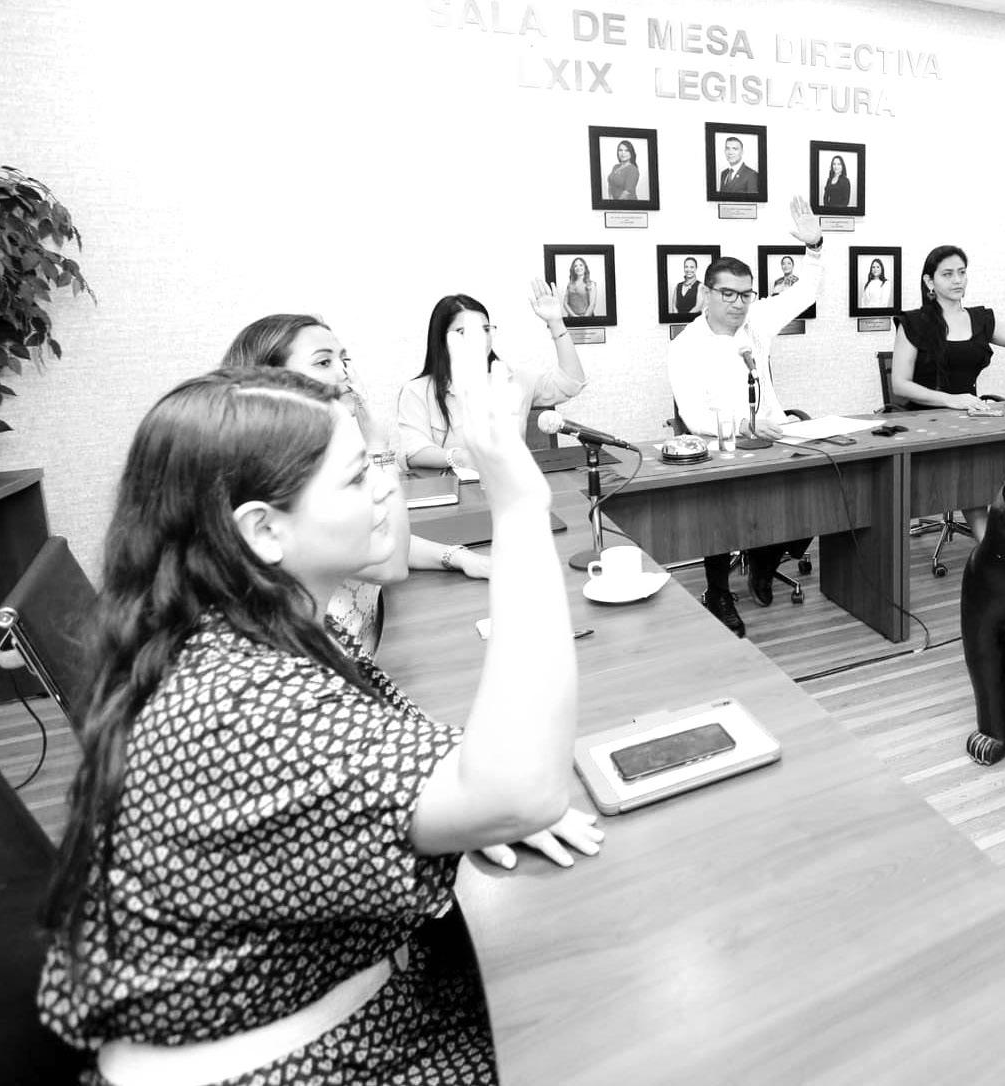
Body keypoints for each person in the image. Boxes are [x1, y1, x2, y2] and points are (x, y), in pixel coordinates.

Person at [37, 359, 602, 1081]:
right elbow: (519, 791)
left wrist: (480, 791)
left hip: (354, 1009)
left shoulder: (255, 629)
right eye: (359, 476)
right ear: (263, 530)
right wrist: (517, 503)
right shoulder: (235, 709)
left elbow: (454, 765)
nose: (386, 486)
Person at [222, 314, 492, 649]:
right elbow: (391, 565)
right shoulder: (285, 475)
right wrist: (377, 445)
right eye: (324, 362)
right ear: (272, 378)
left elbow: (374, 533)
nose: (344, 372)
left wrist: (457, 557)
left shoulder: (322, 451)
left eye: (344, 360)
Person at [668, 196, 825, 637]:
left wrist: (814, 247)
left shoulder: (756, 322)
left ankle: (766, 559)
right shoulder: (685, 346)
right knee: (720, 510)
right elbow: (694, 416)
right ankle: (718, 591)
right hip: (721, 448)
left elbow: (805, 292)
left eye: (746, 294)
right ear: (706, 294)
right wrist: (743, 426)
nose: (738, 304)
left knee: (823, 486)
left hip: (775, 436)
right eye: (728, 294)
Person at [890, 245, 1005, 538]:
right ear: (929, 281)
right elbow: (900, 384)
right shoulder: (914, 323)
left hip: (971, 419)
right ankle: (991, 551)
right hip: (926, 423)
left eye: (961, 272)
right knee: (972, 481)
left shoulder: (980, 319)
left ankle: (998, 547)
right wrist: (952, 400)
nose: (957, 280)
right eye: (947, 274)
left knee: (997, 474)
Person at [397, 281, 587, 472]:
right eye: (464, 331)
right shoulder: (417, 391)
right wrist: (462, 458)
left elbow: (571, 383)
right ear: (442, 339)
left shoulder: (514, 379)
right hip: (451, 487)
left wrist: (556, 323)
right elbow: (414, 451)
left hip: (510, 484)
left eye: (485, 329)